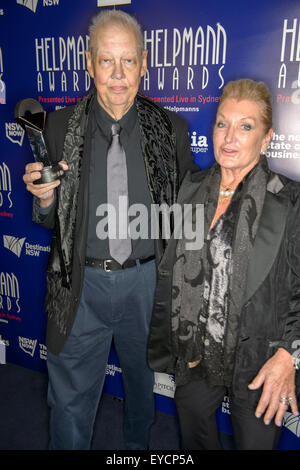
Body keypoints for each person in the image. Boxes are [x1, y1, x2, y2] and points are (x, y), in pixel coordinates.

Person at [22, 9, 196, 450]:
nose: (118, 75)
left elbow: (184, 215)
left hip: (146, 284)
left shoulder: (171, 129)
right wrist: (45, 200)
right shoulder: (58, 128)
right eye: (106, 61)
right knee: (69, 403)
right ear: (88, 62)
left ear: (143, 62)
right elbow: (50, 219)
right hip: (79, 284)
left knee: (141, 392)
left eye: (128, 61)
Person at [147, 78, 300, 450]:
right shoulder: (190, 188)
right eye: (222, 123)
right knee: (194, 434)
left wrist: (288, 357)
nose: (229, 137)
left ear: (266, 139)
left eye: (245, 126)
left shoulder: (291, 201)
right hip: (198, 354)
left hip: (262, 359)